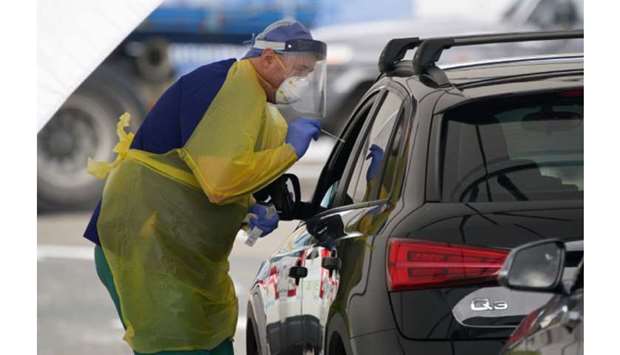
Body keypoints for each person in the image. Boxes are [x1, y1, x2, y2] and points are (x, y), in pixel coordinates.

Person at [83, 19, 327, 355]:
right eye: (299, 70)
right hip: (146, 245)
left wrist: (247, 211)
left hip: (176, 252)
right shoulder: (233, 85)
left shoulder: (256, 102)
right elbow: (220, 182)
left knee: (208, 343)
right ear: (269, 58)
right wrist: (290, 150)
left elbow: (203, 174)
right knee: (181, 347)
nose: (302, 81)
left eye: (308, 73)